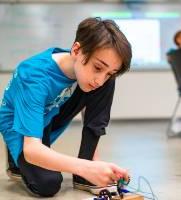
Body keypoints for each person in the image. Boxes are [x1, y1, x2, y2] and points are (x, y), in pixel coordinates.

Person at [0, 17, 132, 197]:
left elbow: (93, 109)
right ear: (76, 50)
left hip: (52, 111)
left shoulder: (88, 73)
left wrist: (91, 163)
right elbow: (32, 150)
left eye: (109, 72)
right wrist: (88, 168)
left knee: (105, 82)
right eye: (98, 67)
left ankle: (83, 173)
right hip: (19, 123)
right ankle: (16, 161)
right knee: (48, 184)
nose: (100, 80)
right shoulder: (34, 76)